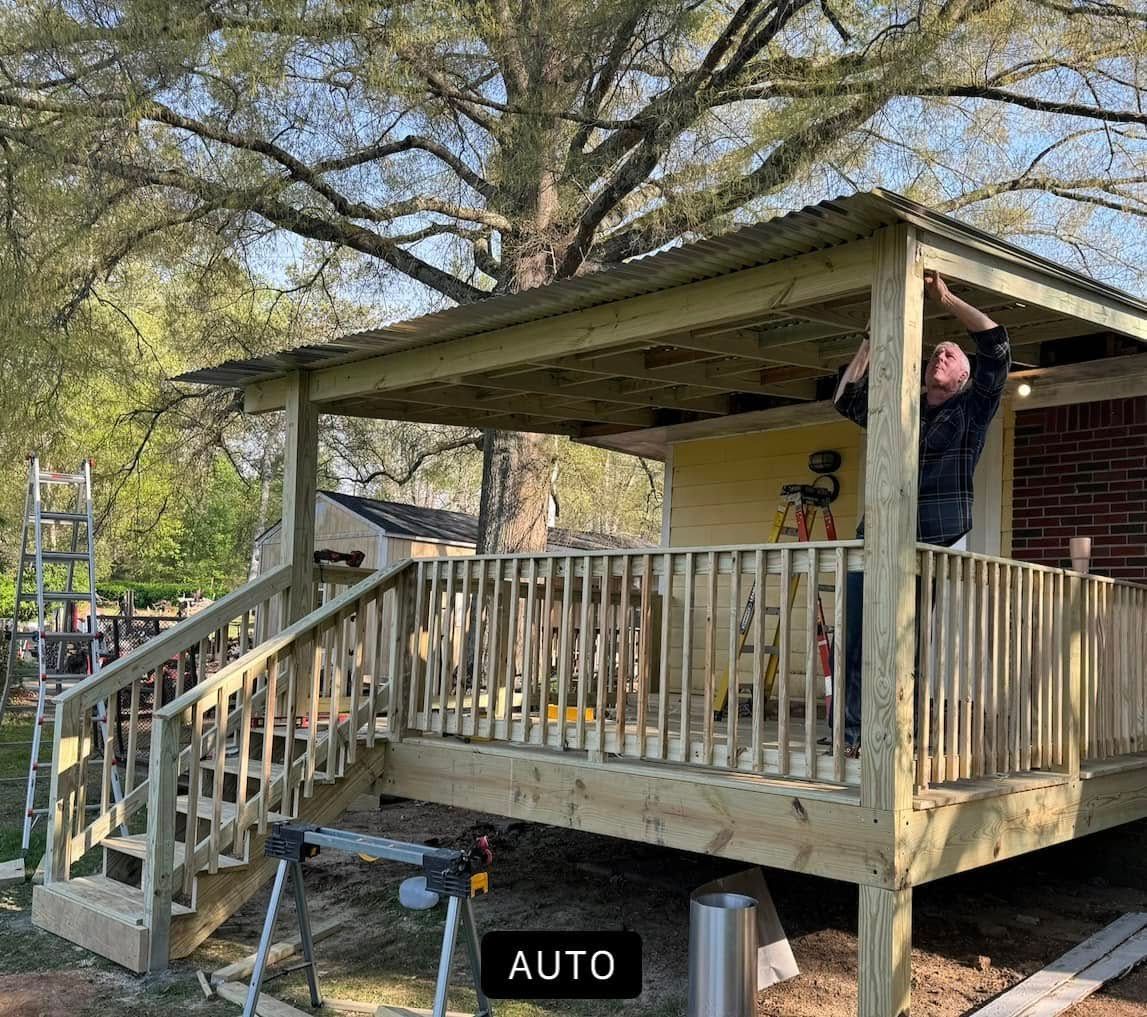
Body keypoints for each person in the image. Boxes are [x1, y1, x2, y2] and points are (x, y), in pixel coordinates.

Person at [833, 270, 1011, 755]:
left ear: (962, 377)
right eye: (936, 352)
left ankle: (897, 737)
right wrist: (873, 337)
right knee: (858, 640)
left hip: (930, 541)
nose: (941, 355)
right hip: (877, 536)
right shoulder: (902, 409)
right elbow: (846, 397)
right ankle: (852, 738)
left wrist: (947, 298)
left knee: (903, 644)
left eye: (950, 355)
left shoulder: (972, 410)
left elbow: (996, 347)